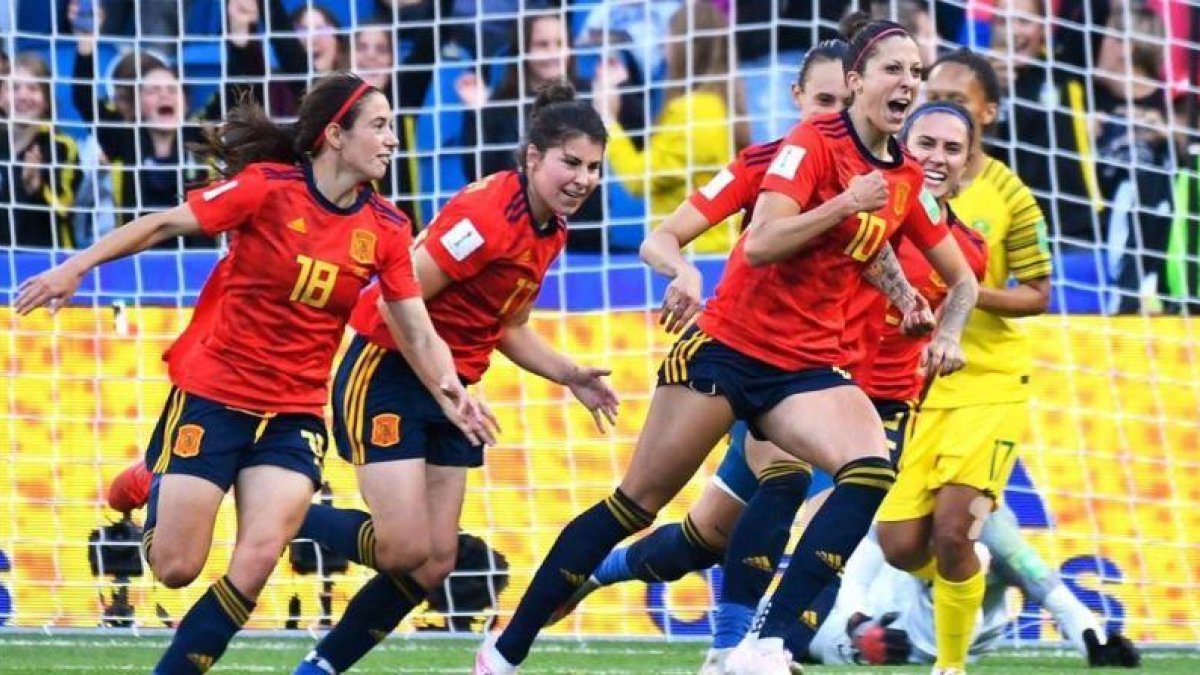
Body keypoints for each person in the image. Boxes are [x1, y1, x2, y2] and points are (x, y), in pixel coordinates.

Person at [474, 17, 980, 675]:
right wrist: (685, 266)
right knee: (637, 505)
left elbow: (952, 273)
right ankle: (505, 651)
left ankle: (760, 647)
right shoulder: (798, 151)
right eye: (893, 70)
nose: (908, 83)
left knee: (867, 469)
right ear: (835, 90)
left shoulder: (900, 176)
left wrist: (930, 316)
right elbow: (760, 240)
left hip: (809, 368)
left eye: (916, 72)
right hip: (729, 350)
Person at [14, 71, 493, 674]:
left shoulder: (389, 228)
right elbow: (163, 224)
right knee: (176, 568)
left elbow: (417, 330)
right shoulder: (265, 189)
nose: (392, 140)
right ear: (334, 135)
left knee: (258, 556)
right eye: (379, 126)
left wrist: (454, 395)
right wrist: (73, 268)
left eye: (393, 127)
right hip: (215, 394)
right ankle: (154, 475)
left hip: (293, 411)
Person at [291, 81, 617, 675]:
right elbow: (397, 302)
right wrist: (448, 390)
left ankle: (320, 667)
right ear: (533, 157)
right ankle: (274, 505)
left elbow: (508, 326)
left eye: (594, 167)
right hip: (389, 371)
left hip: (453, 392)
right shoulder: (487, 214)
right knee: (404, 547)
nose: (583, 179)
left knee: (433, 563)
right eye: (571, 163)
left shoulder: (551, 230)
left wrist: (570, 373)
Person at [544, 36, 855, 645]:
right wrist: (683, 269)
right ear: (795, 98)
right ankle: (732, 649)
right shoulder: (765, 164)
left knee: (709, 537)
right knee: (784, 486)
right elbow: (662, 235)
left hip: (853, 377)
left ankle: (618, 580)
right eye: (822, 100)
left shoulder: (889, 179)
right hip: (770, 364)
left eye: (844, 104)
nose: (833, 118)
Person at [875, 48, 1054, 675]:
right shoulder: (890, 189)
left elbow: (1039, 290)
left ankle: (950, 665)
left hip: (991, 390)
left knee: (955, 529)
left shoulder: (1009, 194)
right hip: (913, 391)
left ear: (985, 115)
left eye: (958, 95)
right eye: (932, 91)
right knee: (899, 545)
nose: (942, 100)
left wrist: (966, 293)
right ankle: (974, 580)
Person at [806, 505, 1141, 668]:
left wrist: (1097, 647)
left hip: (930, 643)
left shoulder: (997, 538)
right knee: (797, 630)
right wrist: (858, 625)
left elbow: (1057, 597)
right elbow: (857, 575)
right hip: (887, 625)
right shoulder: (910, 507)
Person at [593, 0, 750, 253]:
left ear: (685, 46)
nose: (663, 48)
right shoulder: (718, 105)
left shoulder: (694, 111)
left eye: (668, 38)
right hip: (709, 251)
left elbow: (639, 179)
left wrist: (607, 119)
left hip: (696, 255)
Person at [0, 52, 81, 248]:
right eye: (15, 88)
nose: (23, 95)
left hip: (47, 260)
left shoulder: (61, 146)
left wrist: (36, 188)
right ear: (2, 98)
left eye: (33, 88)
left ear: (46, 101)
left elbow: (65, 205)